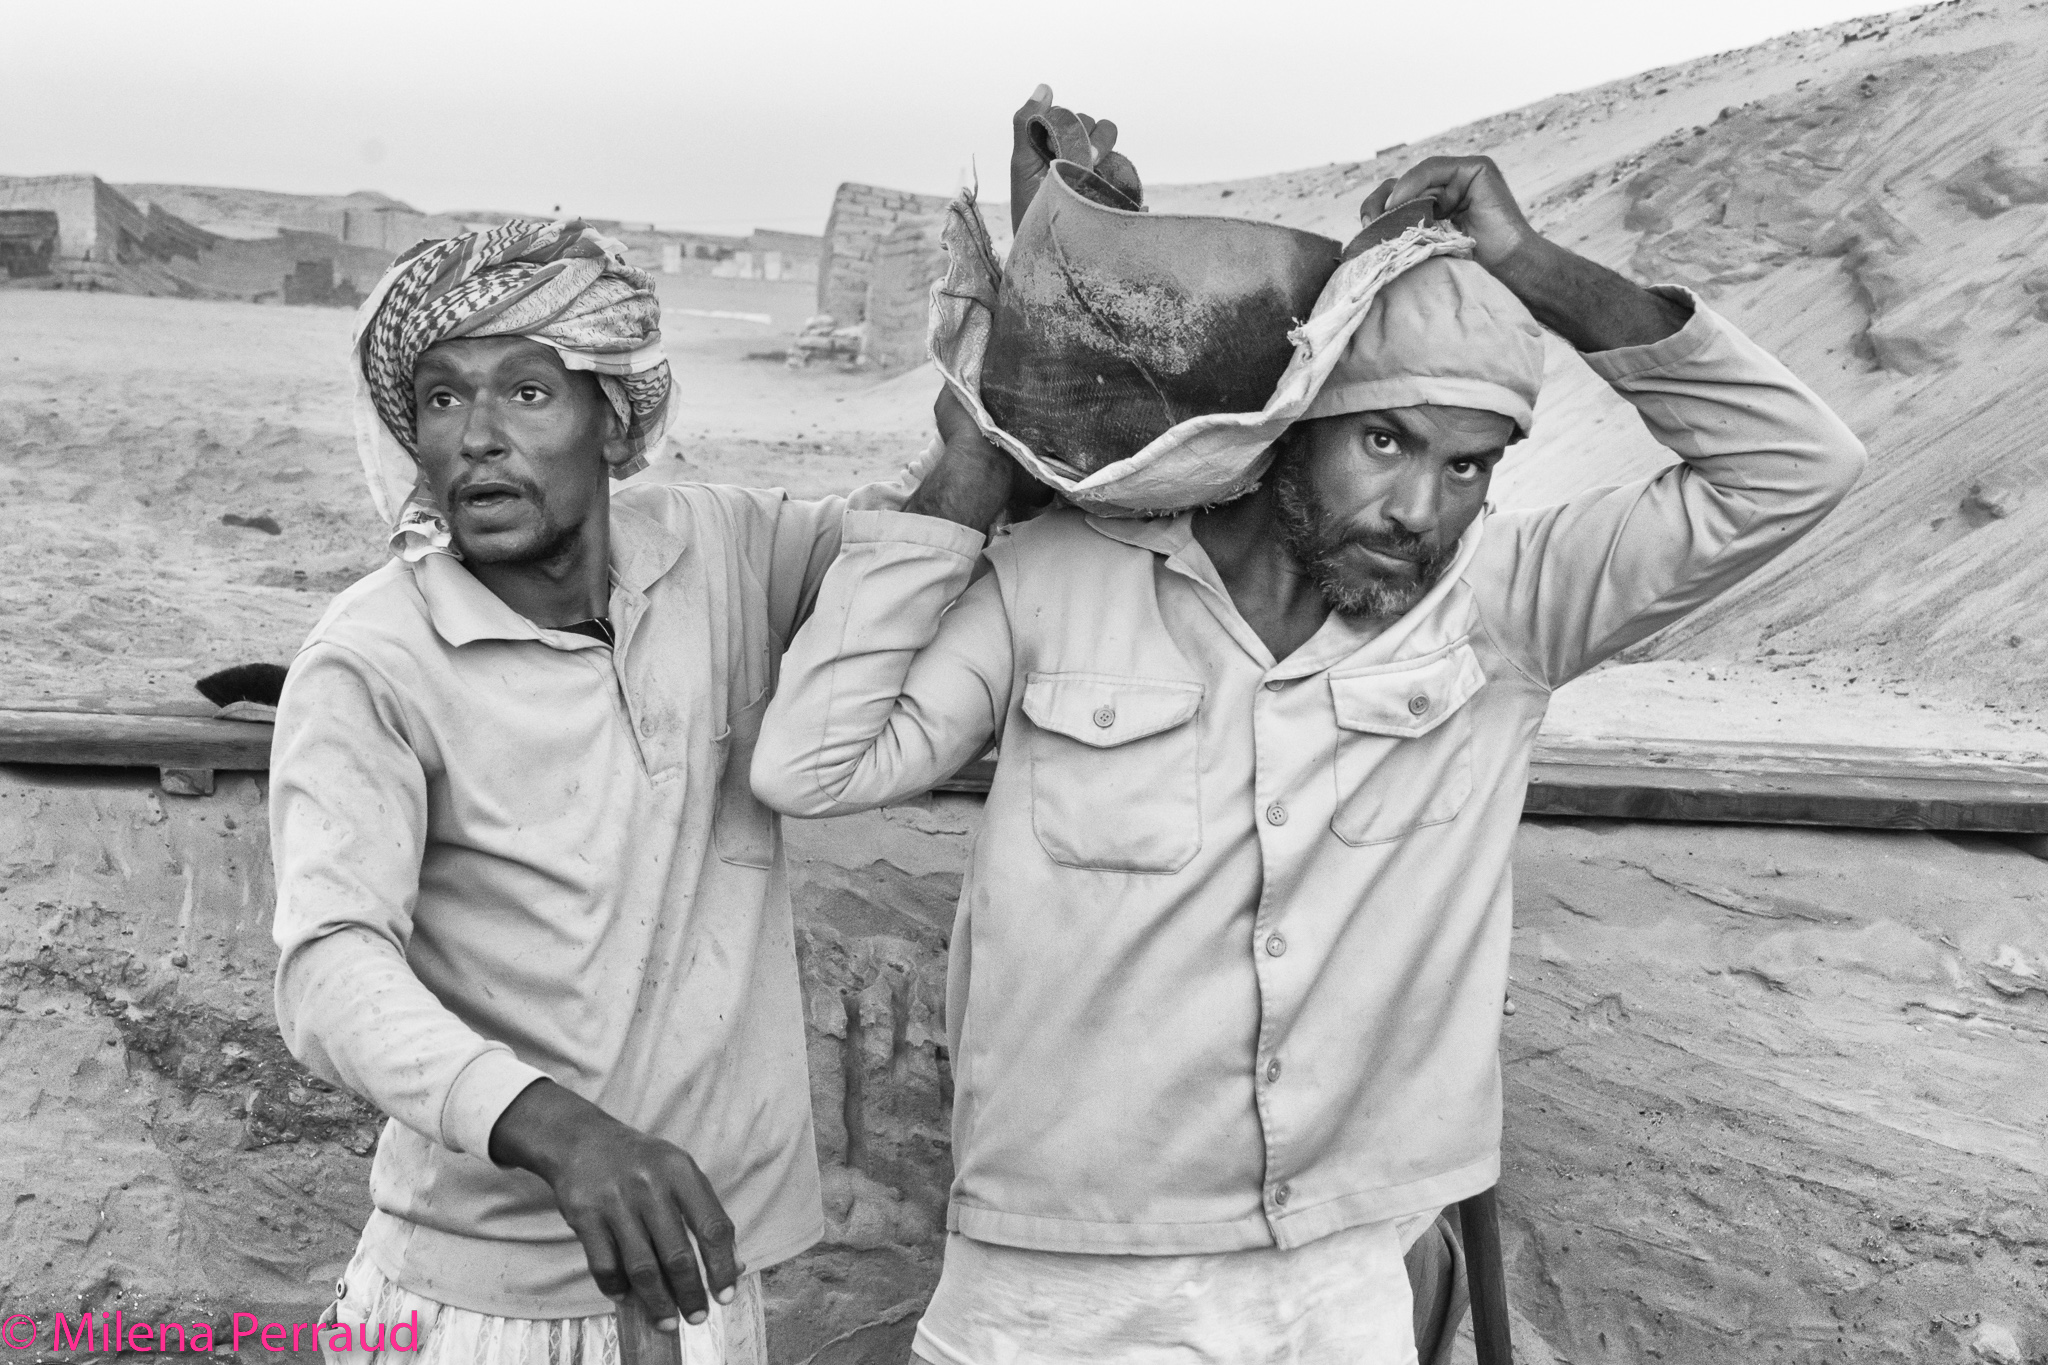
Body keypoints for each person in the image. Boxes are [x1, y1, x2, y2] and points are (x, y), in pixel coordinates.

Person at [749, 148, 1866, 1364]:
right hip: (1055, 1277)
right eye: (1384, 441)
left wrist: (1530, 266)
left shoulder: (1502, 608)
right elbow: (812, 767)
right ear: (1290, 427)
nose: (1418, 509)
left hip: (1338, 1278)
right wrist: (969, 469)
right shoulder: (1058, 578)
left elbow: (1795, 466)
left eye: (1466, 465)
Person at [268, 219, 930, 1365]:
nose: (477, 437)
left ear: (612, 422)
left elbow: (912, 537)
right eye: (440, 399)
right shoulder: (372, 659)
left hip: (705, 1277)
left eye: (527, 392)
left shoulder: (716, 551)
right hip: (475, 1307)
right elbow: (329, 964)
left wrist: (1043, 281)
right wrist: (558, 1131)